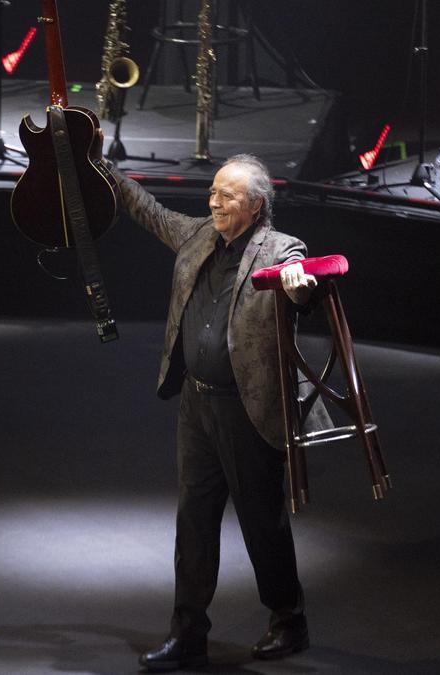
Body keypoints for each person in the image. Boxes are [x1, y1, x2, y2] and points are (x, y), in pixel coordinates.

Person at [108, 154, 331, 671]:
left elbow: (303, 286)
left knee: (261, 524)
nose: (214, 202)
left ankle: (288, 619)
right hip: (198, 403)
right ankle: (187, 633)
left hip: (249, 410)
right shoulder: (198, 235)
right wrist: (98, 164)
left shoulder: (280, 248)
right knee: (194, 522)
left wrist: (300, 288)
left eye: (227, 196)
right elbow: (146, 208)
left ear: (255, 205)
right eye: (213, 192)